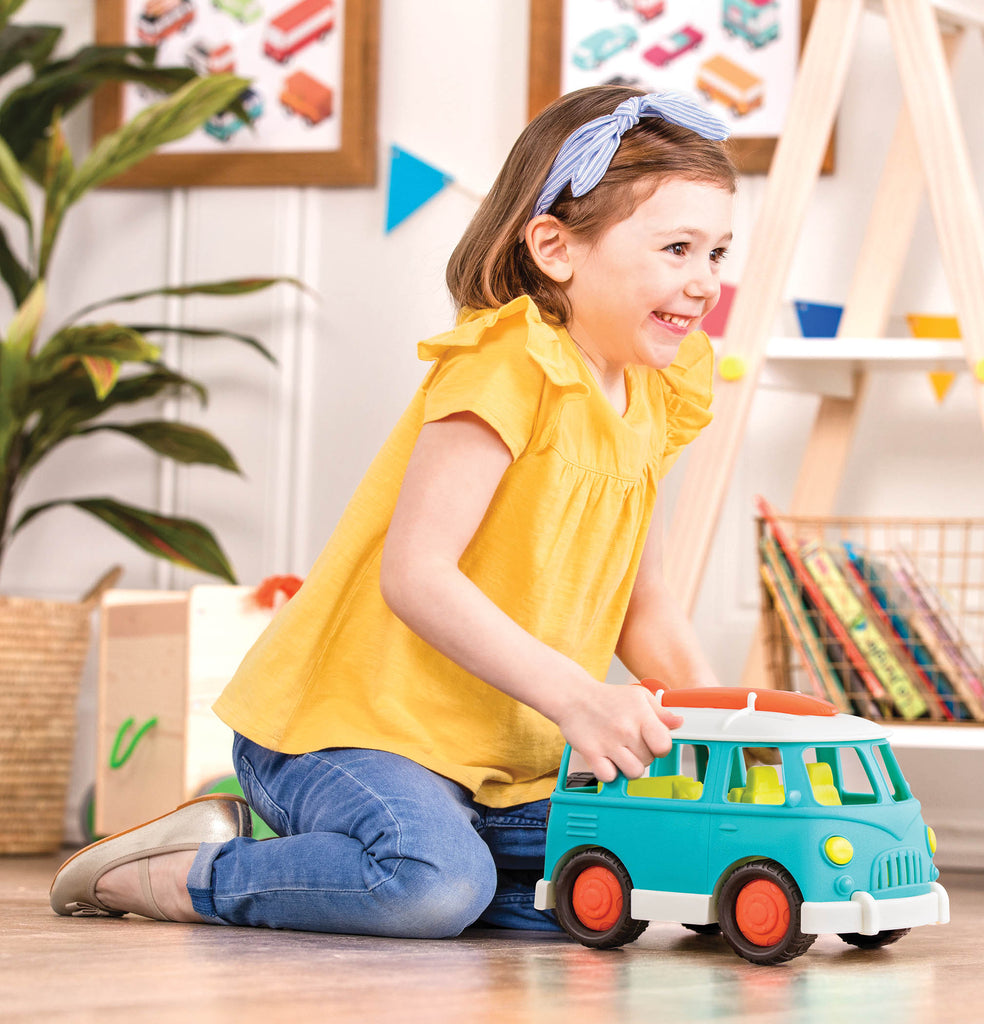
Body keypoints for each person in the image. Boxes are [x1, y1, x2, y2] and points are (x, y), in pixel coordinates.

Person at [50, 85, 736, 938]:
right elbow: (416, 575)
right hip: (345, 735)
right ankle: (173, 875)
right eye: (677, 248)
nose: (705, 282)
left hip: (501, 768)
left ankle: (421, 863)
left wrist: (731, 740)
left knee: (615, 889)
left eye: (717, 251)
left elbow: (646, 604)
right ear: (556, 247)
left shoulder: (654, 392)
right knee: (433, 885)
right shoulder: (507, 363)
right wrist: (577, 697)